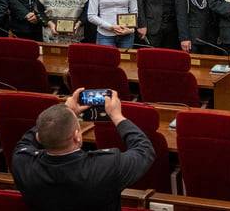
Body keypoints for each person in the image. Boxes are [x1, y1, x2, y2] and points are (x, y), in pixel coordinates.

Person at [11, 88, 154, 211]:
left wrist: (60, 116)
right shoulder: (106, 166)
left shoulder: (23, 164)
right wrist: (117, 116)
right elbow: (144, 150)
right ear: (77, 137)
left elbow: (27, 140)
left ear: (39, 138)